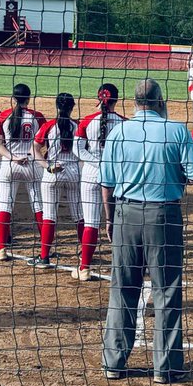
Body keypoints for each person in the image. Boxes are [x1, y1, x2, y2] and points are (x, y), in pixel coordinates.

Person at [100, 79, 193, 384]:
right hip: (164, 215)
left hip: (125, 214)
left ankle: (114, 363)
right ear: (160, 100)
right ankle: (166, 367)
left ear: (134, 102)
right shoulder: (176, 130)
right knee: (167, 290)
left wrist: (110, 220)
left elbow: (107, 183)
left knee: (122, 288)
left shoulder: (119, 131)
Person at [0, 83, 46, 260]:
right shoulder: (37, 117)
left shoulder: (4, 116)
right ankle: (47, 248)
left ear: (13, 98)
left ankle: (1, 248)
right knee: (39, 206)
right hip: (32, 164)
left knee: (5, 205)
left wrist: (12, 157)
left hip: (9, 165)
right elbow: (44, 143)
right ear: (28, 99)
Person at [72, 84, 121, 281]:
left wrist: (96, 162)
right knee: (118, 221)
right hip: (115, 176)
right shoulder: (123, 123)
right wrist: (108, 163)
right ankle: (123, 267)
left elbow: (78, 149)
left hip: (91, 174)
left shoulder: (87, 121)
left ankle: (84, 268)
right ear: (116, 100)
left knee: (91, 223)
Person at [32, 93, 82, 268]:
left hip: (53, 172)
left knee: (49, 215)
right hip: (74, 172)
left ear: (57, 107)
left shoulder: (49, 126)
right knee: (79, 214)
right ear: (72, 107)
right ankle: (84, 252)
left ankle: (44, 257)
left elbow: (35, 149)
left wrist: (47, 166)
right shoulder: (78, 126)